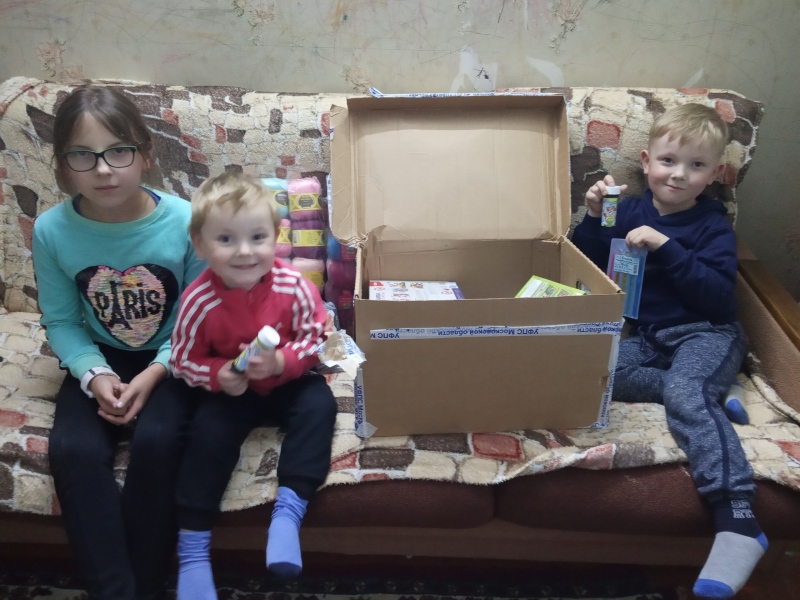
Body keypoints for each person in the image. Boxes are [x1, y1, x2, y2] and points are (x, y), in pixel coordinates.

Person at [571, 103, 767, 600]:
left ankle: (738, 518)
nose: (679, 174)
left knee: (685, 391)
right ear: (646, 161)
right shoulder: (627, 210)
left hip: (706, 333)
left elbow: (718, 300)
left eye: (696, 165)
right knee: (598, 375)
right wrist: (593, 217)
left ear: (714, 174)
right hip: (648, 337)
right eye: (668, 161)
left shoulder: (712, 226)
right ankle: (714, 391)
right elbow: (587, 265)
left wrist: (667, 246)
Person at [32, 85, 206, 600]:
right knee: (73, 448)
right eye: (83, 155)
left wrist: (155, 373)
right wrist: (94, 375)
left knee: (159, 441)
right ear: (64, 165)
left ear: (145, 155)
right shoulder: (51, 230)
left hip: (174, 358)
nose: (103, 169)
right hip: (99, 356)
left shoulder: (186, 221)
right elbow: (62, 320)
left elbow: (198, 318)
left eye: (118, 151)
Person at [169, 172, 337, 599]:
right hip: (233, 391)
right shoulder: (197, 300)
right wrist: (218, 375)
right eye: (226, 239)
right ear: (200, 244)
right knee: (206, 433)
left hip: (286, 383)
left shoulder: (293, 285)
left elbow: (317, 337)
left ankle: (288, 514)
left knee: (319, 403)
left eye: (257, 237)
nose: (244, 252)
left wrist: (283, 361)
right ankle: (193, 549)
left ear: (275, 237)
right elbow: (182, 360)